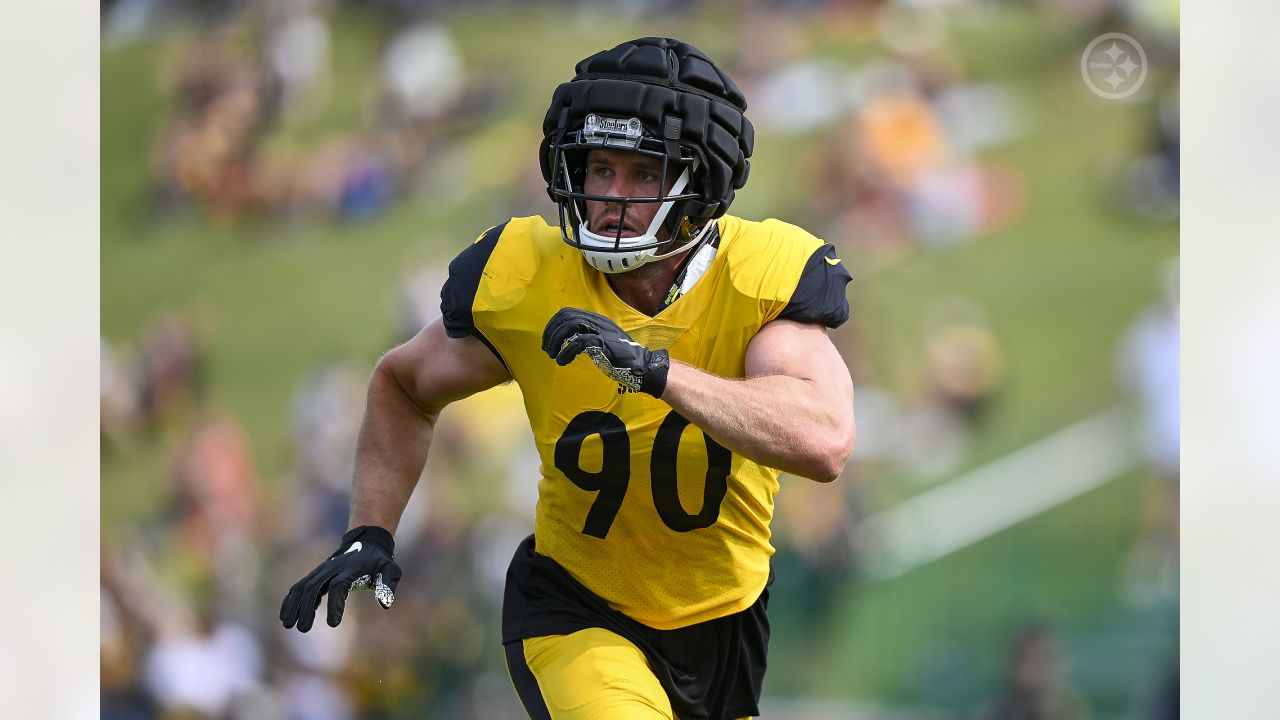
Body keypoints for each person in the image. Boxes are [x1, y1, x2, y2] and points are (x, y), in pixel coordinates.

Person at [280, 37, 856, 720]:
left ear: (699, 184)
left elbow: (824, 440)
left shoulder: (758, 277)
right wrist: (369, 530)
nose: (611, 196)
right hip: (577, 608)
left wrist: (658, 373)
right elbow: (402, 385)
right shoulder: (528, 276)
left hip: (725, 626)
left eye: (643, 174)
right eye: (599, 167)